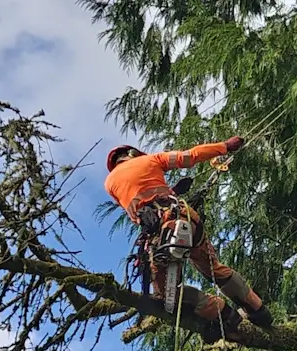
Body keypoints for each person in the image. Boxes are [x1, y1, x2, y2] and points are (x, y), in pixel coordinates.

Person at [104, 136, 274, 338]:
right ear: (133, 154)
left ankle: (223, 315)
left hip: (161, 230)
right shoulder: (152, 160)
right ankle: (257, 309)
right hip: (185, 216)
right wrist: (225, 146)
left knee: (166, 295)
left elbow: (137, 198)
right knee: (213, 268)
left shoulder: (110, 183)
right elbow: (191, 156)